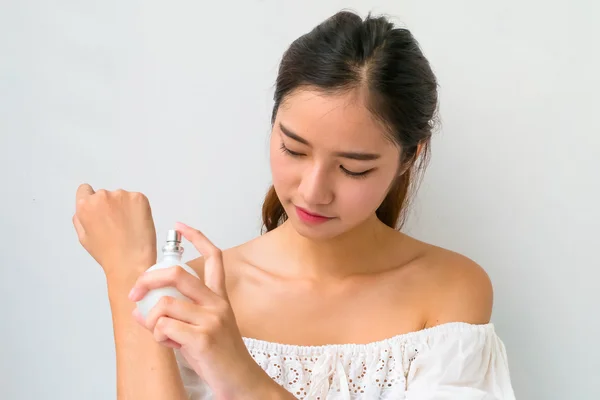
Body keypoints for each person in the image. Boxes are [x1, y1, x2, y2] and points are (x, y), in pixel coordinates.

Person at [73, 10, 516, 400]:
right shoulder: (193, 294)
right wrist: (129, 273)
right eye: (293, 150)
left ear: (408, 158)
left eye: (353, 169)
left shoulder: (448, 290)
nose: (312, 191)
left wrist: (240, 374)